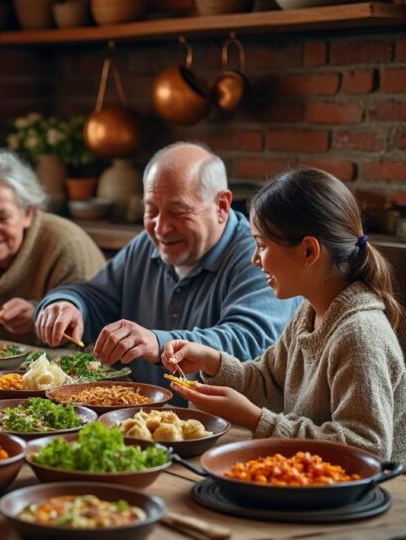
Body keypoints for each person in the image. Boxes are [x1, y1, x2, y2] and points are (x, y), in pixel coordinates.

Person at [163, 168, 405, 462]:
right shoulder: (309, 311)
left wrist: (255, 419)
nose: (255, 259)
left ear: (308, 251)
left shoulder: (360, 335)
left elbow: (368, 448)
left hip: (368, 497)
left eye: (262, 245)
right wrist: (211, 361)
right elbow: (269, 382)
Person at [35, 142, 298, 388]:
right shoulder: (149, 245)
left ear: (221, 205)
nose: (160, 227)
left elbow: (251, 344)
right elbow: (95, 297)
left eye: (178, 212)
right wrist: (69, 305)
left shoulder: (260, 255)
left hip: (228, 429)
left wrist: (159, 343)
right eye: (150, 210)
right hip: (140, 419)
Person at [0, 149, 105, 345]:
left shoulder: (67, 246)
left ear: (27, 214)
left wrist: (38, 317)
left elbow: (85, 336)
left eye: (2, 218)